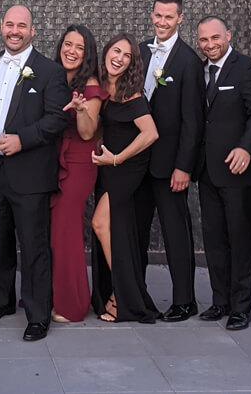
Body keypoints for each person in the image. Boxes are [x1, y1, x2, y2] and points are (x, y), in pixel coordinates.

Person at [0, 5, 70, 341]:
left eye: (22, 26)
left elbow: (57, 118)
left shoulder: (48, 71)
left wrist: (22, 139)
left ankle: (37, 314)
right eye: (9, 25)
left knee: (33, 245)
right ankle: (0, 301)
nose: (15, 31)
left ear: (33, 30)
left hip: (28, 171)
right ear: (1, 27)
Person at [195, 16, 251, 331]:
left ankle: (241, 307)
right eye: (204, 40)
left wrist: (246, 148)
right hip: (207, 170)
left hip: (239, 171)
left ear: (228, 35)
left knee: (240, 239)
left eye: (215, 38)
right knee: (214, 238)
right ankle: (220, 301)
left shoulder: (246, 68)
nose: (210, 45)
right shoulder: (199, 71)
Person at [136, 0, 204, 322]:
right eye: (158, 15)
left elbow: (193, 121)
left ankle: (185, 300)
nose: (162, 22)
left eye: (169, 16)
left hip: (169, 166)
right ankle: (136, 296)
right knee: (135, 232)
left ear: (180, 19)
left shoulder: (189, 61)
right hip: (138, 163)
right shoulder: (140, 52)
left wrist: (183, 167)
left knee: (176, 233)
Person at [90, 33, 160, 323]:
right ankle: (122, 292)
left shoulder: (132, 93)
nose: (118, 58)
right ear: (107, 51)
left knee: (99, 222)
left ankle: (124, 296)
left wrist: (117, 158)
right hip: (107, 167)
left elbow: (151, 133)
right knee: (114, 231)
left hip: (126, 168)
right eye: (115, 51)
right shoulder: (103, 84)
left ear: (132, 63)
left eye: (126, 56)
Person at [50, 24, 104, 323]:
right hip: (52, 160)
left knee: (66, 233)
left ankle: (73, 305)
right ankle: (50, 293)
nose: (71, 51)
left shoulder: (91, 85)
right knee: (52, 232)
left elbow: (86, 133)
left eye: (79, 47)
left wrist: (81, 109)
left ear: (87, 54)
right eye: (67, 44)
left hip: (78, 164)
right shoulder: (53, 78)